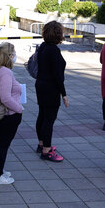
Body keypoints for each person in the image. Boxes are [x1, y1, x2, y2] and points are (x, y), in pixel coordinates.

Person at [0, 42, 22, 186]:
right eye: (14, 53)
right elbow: (5, 97)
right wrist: (19, 108)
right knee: (2, 144)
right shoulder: (6, 73)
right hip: (8, 115)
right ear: (10, 56)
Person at [35, 21, 69, 163]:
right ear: (58, 34)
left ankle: (41, 143)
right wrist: (64, 94)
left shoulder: (43, 47)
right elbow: (57, 76)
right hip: (51, 88)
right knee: (49, 119)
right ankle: (46, 150)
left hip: (41, 85)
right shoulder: (54, 50)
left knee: (42, 115)